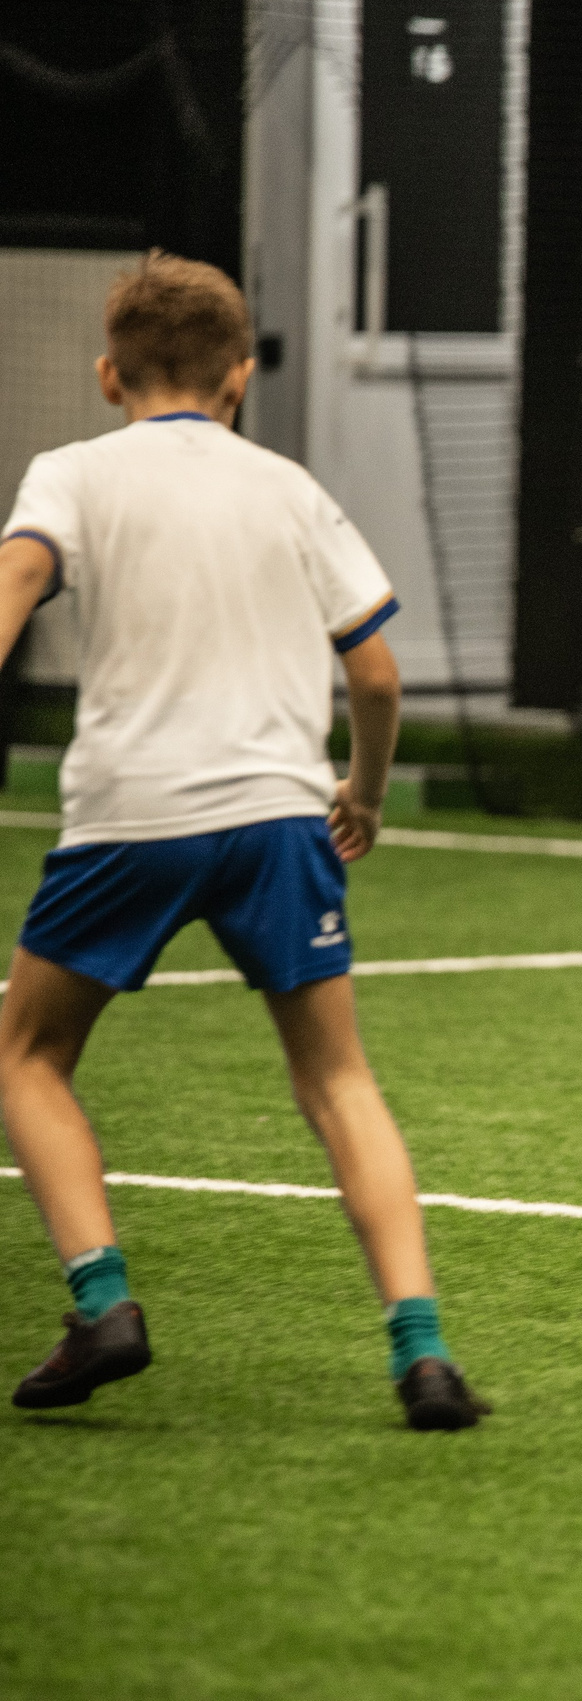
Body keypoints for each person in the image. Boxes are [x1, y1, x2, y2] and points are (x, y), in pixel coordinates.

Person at [0, 252, 485, 1430]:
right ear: (244, 373)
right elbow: (374, 672)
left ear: (109, 373)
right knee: (336, 1077)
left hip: (131, 815)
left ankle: (103, 1299)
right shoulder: (288, 488)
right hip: (278, 815)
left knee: (27, 1052)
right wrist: (359, 794)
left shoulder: (69, 472)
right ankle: (422, 1352)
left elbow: (16, 582)